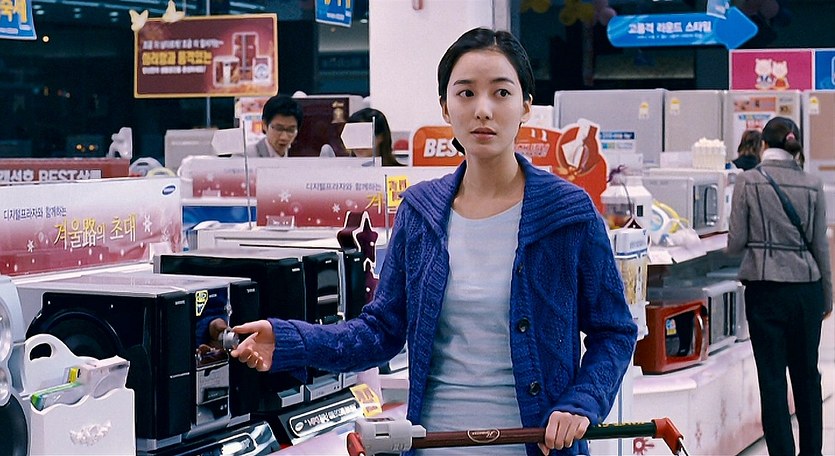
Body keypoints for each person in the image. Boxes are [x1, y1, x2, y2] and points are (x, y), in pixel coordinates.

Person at [231, 27, 637, 456]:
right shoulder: (421, 211)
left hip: (537, 447)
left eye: (501, 93)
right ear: (445, 107)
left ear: (525, 106)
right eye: (466, 93)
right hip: (435, 445)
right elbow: (381, 331)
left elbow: (614, 330)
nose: (483, 110)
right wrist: (291, 340)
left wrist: (582, 402)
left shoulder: (568, 213)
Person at [727, 116, 832, 456]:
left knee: (772, 380)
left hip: (765, 289)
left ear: (764, 144)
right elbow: (820, 246)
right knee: (807, 376)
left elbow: (735, 243)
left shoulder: (748, 181)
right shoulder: (813, 184)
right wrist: (827, 296)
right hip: (806, 289)